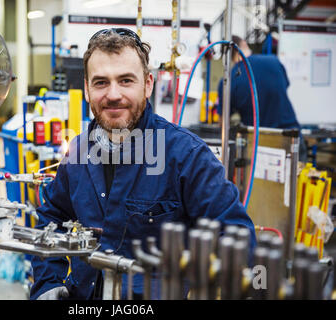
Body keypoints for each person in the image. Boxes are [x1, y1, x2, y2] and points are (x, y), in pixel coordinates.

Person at [31, 28, 256, 300]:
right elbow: (51, 216)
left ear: (148, 84)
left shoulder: (186, 155)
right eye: (101, 82)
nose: (113, 94)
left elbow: (237, 239)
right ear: (87, 90)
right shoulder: (77, 152)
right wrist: (48, 283)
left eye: (126, 80)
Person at [217, 35, 307, 162]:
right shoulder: (274, 61)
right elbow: (284, 87)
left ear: (225, 56)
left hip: (259, 144)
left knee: (259, 182)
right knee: (297, 180)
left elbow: (223, 123)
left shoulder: (228, 80)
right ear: (244, 43)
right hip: (290, 137)